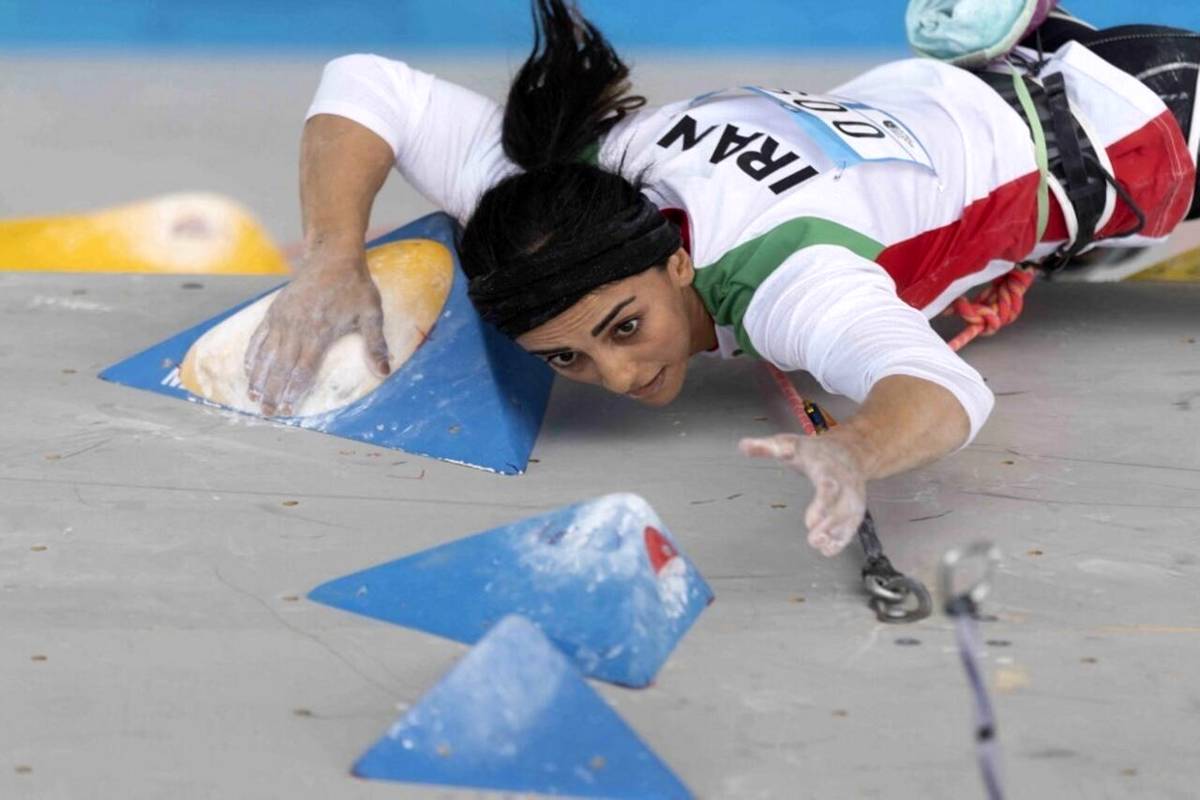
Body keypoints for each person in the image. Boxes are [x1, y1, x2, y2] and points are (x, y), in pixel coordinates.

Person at [244, 0, 1199, 558]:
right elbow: (369, 84)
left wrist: (855, 450)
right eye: (566, 359)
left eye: (625, 328)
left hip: (1140, 131)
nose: (620, 377)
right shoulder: (561, 190)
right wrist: (331, 257)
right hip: (994, 84)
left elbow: (946, 391)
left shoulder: (788, 280)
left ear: (678, 259)